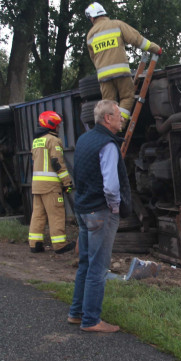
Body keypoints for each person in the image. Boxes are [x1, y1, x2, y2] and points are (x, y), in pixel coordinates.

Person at [68, 99, 129, 333]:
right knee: (98, 267)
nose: (121, 118)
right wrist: (115, 208)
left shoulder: (84, 140)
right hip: (100, 212)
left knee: (85, 263)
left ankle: (76, 313)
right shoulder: (108, 145)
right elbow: (112, 187)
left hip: (83, 210)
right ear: (107, 119)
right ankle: (92, 320)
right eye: (118, 115)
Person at [84, 2, 162, 128]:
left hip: (103, 77)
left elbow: (94, 58)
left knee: (107, 105)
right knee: (127, 97)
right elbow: (137, 39)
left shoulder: (90, 35)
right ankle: (120, 125)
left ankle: (107, 129)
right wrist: (156, 48)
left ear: (92, 17)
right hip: (121, 72)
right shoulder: (117, 25)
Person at [28, 110, 75, 254]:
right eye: (58, 125)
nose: (59, 128)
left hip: (37, 185)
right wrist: (67, 183)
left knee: (38, 214)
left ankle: (35, 244)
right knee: (56, 214)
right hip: (50, 186)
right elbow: (57, 163)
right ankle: (59, 245)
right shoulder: (53, 140)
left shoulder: (37, 141)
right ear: (52, 125)